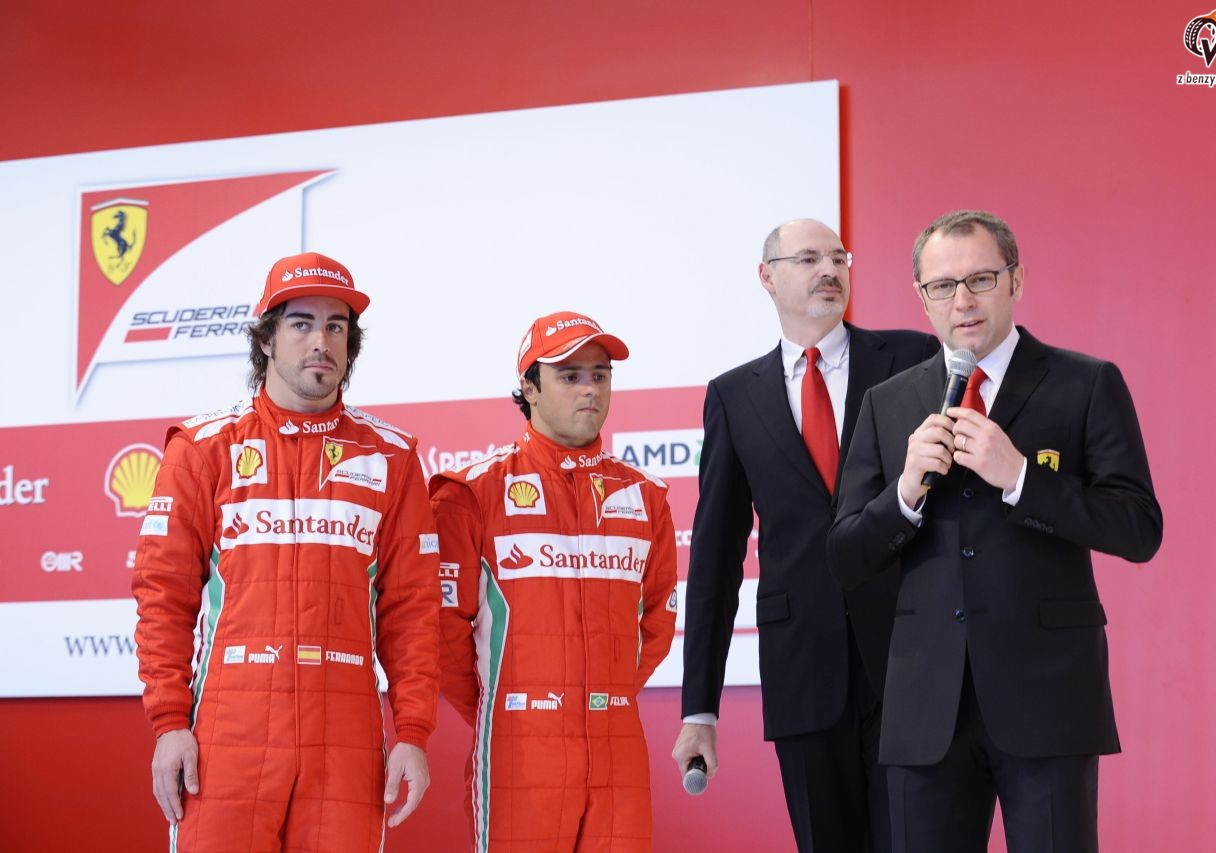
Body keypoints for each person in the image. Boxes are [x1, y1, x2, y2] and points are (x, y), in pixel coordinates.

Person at [827, 210, 1163, 852]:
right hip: (926, 707)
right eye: (942, 286)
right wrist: (904, 494)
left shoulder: (1085, 383)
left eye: (980, 279)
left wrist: (1021, 478)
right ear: (921, 298)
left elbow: (1138, 528)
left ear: (1016, 280)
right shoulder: (887, 402)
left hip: (1048, 699)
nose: (963, 301)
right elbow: (845, 557)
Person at [132, 252, 442, 852]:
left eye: (336, 326)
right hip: (229, 730)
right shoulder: (204, 448)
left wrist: (412, 730)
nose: (321, 341)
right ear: (267, 339)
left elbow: (413, 609)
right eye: (302, 323)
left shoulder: (391, 457)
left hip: (345, 735)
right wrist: (169, 722)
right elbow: (163, 595)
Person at [674, 219, 938, 852]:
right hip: (802, 672)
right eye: (809, 258)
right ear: (767, 277)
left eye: (839, 258)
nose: (829, 270)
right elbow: (715, 558)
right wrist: (699, 708)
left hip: (911, 656)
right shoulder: (734, 396)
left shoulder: (912, 358)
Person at [429, 311, 677, 852]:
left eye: (600, 375)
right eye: (569, 376)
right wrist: (504, 710)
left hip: (617, 745)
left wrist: (600, 695)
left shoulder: (645, 495)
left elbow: (658, 621)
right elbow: (442, 633)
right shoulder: (472, 492)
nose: (590, 389)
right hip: (519, 747)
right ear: (530, 388)